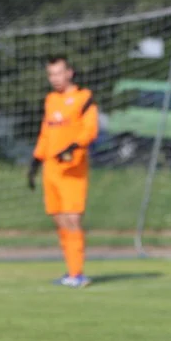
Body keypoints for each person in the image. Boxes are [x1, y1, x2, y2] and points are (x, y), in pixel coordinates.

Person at [28, 55, 99, 288]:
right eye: (51, 74)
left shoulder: (84, 98)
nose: (55, 78)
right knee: (59, 221)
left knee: (72, 219)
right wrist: (35, 161)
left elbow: (90, 130)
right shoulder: (50, 100)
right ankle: (70, 272)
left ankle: (78, 273)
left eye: (59, 73)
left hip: (73, 169)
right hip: (51, 170)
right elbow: (46, 132)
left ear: (70, 73)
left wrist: (74, 146)